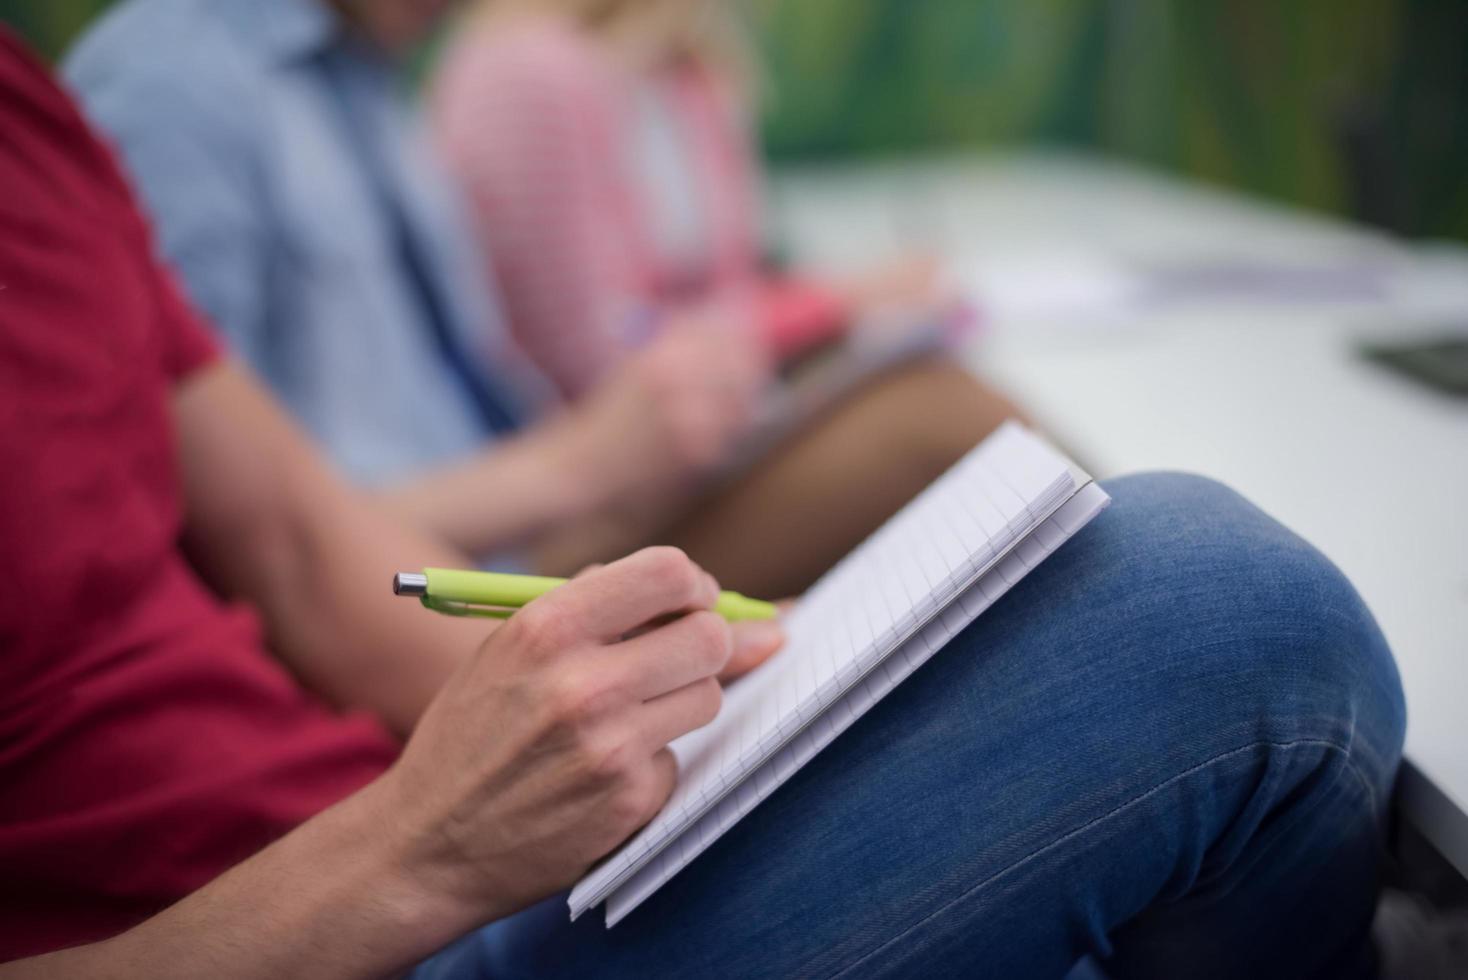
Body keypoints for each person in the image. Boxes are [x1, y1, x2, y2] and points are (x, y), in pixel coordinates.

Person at [0, 30, 1406, 979]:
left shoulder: (43, 113)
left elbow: (306, 551)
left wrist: (785, 669)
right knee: (1220, 605)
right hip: (346, 907)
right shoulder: (208, 84)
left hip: (404, 806)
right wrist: (416, 846)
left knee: (1076, 574)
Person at [63, 0, 1020, 599]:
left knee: (938, 441)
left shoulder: (369, 80)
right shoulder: (174, 86)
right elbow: (211, 534)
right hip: (431, 591)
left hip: (528, 530)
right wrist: (581, 462)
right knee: (935, 426)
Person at [431, 0, 951, 400]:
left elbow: (729, 291)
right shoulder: (528, 74)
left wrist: (843, 312)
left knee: (929, 385)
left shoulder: (692, 79)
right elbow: (603, 355)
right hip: (610, 461)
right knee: (933, 416)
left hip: (711, 414)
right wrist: (830, 307)